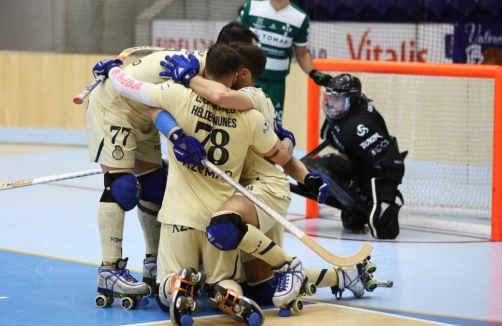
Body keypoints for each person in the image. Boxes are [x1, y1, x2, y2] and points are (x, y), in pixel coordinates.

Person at [162, 44, 379, 309]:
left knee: (224, 225)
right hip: (244, 190)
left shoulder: (249, 96)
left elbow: (220, 97)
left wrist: (187, 77)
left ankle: (290, 266)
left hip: (263, 188)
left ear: (239, 74)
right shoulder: (231, 96)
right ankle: (344, 277)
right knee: (260, 288)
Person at [101, 43, 293, 326]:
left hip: (180, 217)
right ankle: (229, 294)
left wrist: (113, 70)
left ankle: (177, 285)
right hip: (220, 221)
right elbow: (281, 155)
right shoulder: (250, 115)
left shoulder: (178, 96)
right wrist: (286, 139)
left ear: (205, 67)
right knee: (226, 279)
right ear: (235, 77)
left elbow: (132, 90)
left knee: (165, 286)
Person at [86, 22, 264, 304]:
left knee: (154, 186)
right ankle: (110, 269)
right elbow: (148, 99)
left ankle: (153, 261)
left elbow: (156, 106)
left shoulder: (213, 72)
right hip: (115, 107)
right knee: (121, 187)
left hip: (144, 115)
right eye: (250, 52)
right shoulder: (187, 68)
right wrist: (176, 135)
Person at [303, 74, 408, 240]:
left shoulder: (360, 126)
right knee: (352, 221)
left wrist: (384, 203)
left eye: (336, 99)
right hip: (357, 160)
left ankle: (361, 192)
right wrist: (322, 78)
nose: (330, 103)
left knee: (319, 169)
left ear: (350, 101)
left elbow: (393, 163)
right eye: (329, 97)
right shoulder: (348, 104)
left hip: (368, 170)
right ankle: (354, 190)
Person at [237, 0, 331, 124]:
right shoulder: (252, 6)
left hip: (276, 85)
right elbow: (234, 38)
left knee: (271, 127)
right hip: (246, 79)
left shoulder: (300, 18)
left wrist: (313, 73)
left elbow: (302, 54)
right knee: (241, 122)